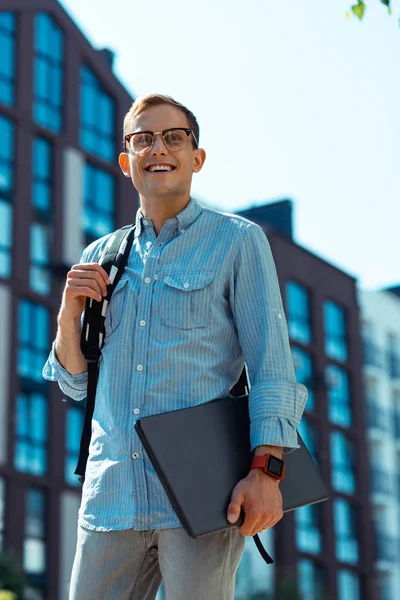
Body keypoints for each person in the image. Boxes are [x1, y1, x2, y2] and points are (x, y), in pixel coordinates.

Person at [43, 94, 307, 600]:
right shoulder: (102, 255)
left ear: (196, 157)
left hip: (200, 498)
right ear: (126, 162)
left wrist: (267, 470)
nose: (156, 148)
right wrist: (68, 314)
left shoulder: (238, 242)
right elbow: (75, 383)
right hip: (110, 497)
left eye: (172, 137)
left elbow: (271, 364)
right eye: (142, 139)